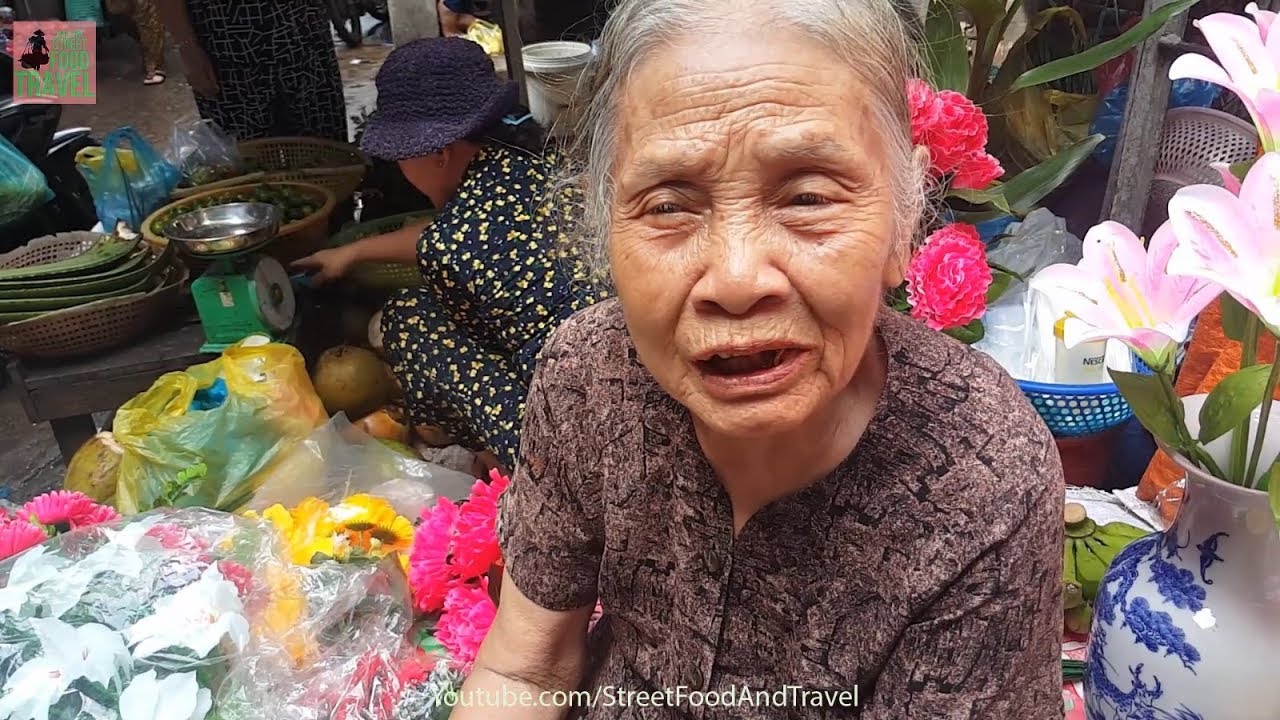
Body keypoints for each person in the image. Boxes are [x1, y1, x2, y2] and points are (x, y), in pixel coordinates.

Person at [459, 0, 1067, 717]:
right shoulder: (588, 376)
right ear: (604, 220)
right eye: (668, 206)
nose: (738, 280)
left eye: (807, 196)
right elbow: (527, 673)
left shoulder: (985, 476)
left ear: (904, 215)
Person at [293, 37, 603, 473]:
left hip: (572, 445)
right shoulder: (534, 169)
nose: (399, 166)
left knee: (409, 317)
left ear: (439, 154)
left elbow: (444, 243)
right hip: (623, 393)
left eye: (402, 156)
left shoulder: (450, 245)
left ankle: (484, 449)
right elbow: (444, 234)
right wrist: (353, 251)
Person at [157, 0, 348, 141]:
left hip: (304, 32)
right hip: (228, 46)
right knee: (247, 161)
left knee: (325, 150)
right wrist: (187, 47)